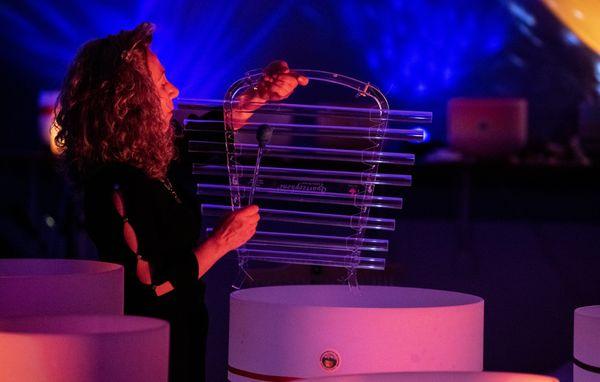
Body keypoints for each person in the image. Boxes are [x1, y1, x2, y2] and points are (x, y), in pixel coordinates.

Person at [54, 22, 307, 381]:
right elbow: (152, 291)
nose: (174, 90)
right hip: (146, 353)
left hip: (186, 331)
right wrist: (222, 242)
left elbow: (213, 132)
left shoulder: (153, 157)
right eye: (159, 84)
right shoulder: (114, 186)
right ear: (125, 103)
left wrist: (261, 94)